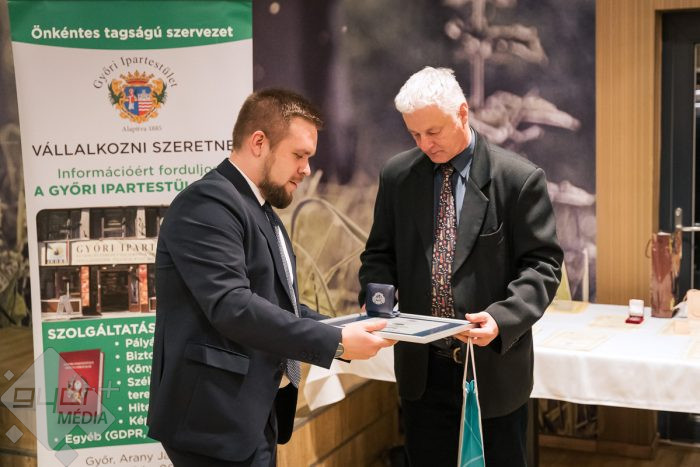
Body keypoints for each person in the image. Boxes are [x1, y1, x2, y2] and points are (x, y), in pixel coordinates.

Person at [147, 88, 394, 466]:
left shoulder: (259, 208)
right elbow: (233, 306)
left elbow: (281, 304)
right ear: (259, 142)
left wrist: (345, 327)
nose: (307, 169)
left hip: (250, 414)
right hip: (212, 421)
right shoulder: (208, 204)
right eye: (299, 155)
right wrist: (336, 342)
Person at [359, 67, 563, 466]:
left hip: (492, 370)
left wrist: (502, 318)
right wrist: (377, 298)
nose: (425, 144)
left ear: (463, 113)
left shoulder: (517, 179)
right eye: (414, 134)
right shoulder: (399, 177)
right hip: (423, 372)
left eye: (433, 132)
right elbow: (379, 254)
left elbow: (542, 265)